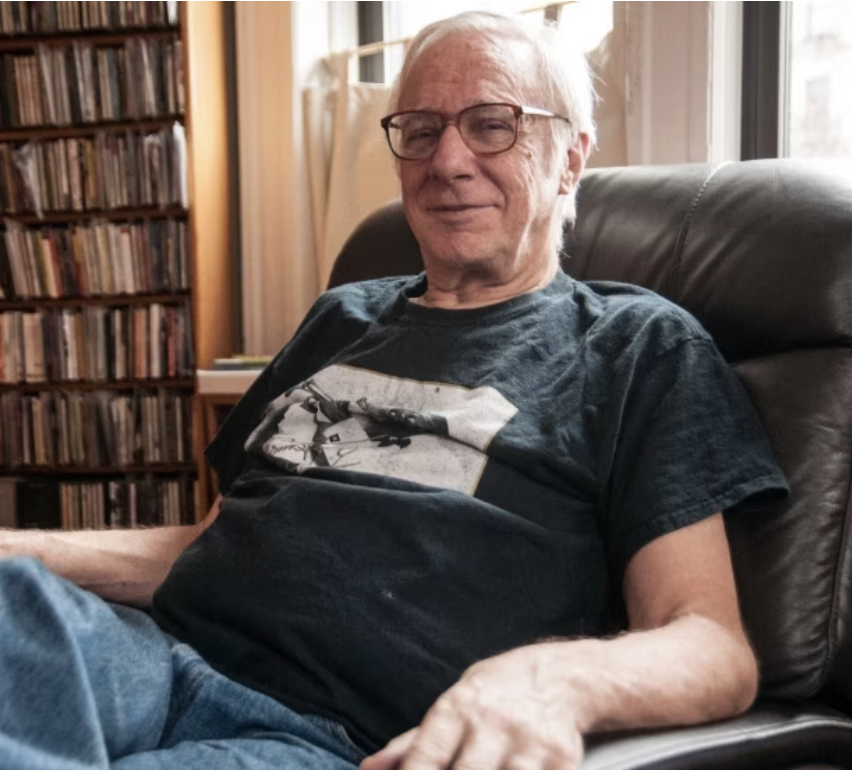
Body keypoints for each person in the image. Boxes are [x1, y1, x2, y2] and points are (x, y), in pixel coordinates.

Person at [0, 11, 787, 770]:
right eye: (420, 130)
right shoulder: (342, 317)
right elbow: (211, 541)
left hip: (319, 733)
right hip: (147, 657)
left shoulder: (635, 345)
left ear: (571, 158)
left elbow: (710, 645)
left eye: (492, 124)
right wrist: (21, 554)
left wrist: (548, 681)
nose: (448, 161)